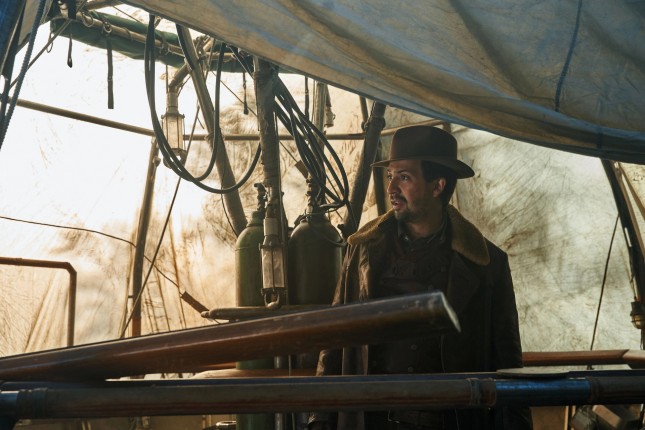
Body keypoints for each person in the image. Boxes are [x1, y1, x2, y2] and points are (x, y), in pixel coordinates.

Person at [308, 125, 532, 430]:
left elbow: (507, 361)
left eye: (403, 177)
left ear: (437, 185)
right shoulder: (362, 250)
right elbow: (335, 337)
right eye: (390, 176)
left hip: (447, 423)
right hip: (369, 420)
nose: (391, 188)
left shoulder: (485, 263)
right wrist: (320, 417)